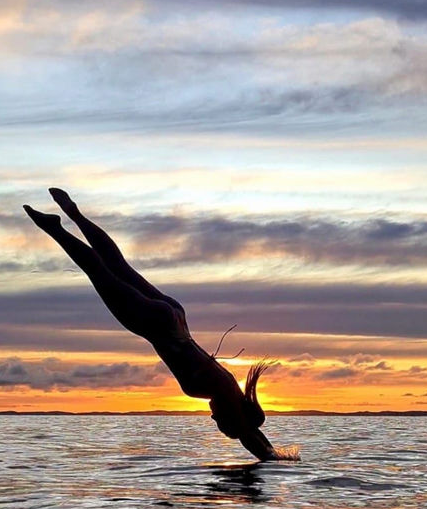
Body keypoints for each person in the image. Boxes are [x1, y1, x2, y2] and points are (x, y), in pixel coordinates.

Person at [23, 188, 298, 461]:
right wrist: (269, 458)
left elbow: (253, 433)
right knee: (99, 271)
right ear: (235, 417)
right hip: (158, 325)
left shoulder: (230, 387)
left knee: (118, 266)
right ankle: (55, 229)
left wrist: (273, 452)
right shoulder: (222, 393)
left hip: (176, 315)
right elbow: (248, 434)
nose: (214, 419)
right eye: (220, 424)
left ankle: (75, 214)